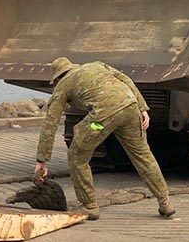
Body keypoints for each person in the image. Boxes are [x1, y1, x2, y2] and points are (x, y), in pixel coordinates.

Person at [34, 57, 175, 220]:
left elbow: (50, 123)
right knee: (143, 156)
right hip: (130, 110)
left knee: (77, 156)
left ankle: (90, 206)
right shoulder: (97, 65)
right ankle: (165, 202)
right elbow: (125, 79)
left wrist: (41, 160)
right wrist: (142, 108)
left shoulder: (63, 85)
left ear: (58, 77)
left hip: (101, 122)